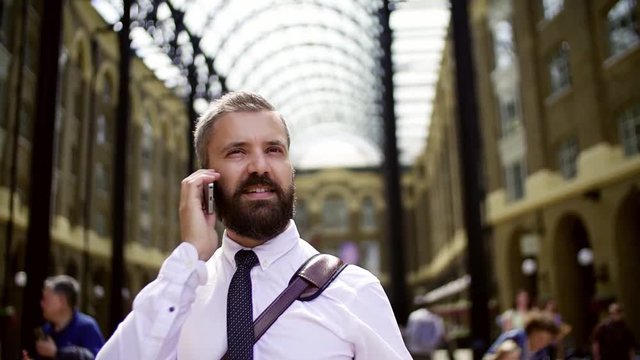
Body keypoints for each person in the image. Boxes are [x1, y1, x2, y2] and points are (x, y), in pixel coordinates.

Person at [97, 91, 411, 359]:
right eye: (237, 152)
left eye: (274, 150)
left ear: (290, 168)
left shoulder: (355, 292)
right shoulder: (182, 294)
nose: (259, 166)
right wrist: (189, 256)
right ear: (205, 178)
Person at [23, 275, 105, 360]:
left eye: (46, 299)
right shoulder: (46, 331)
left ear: (62, 301)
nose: (42, 304)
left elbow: (97, 358)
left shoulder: (87, 327)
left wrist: (57, 353)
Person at [486, 311, 559, 360]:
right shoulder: (513, 338)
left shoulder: (542, 353)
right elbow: (487, 357)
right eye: (540, 338)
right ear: (532, 332)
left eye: (547, 340)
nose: (542, 343)